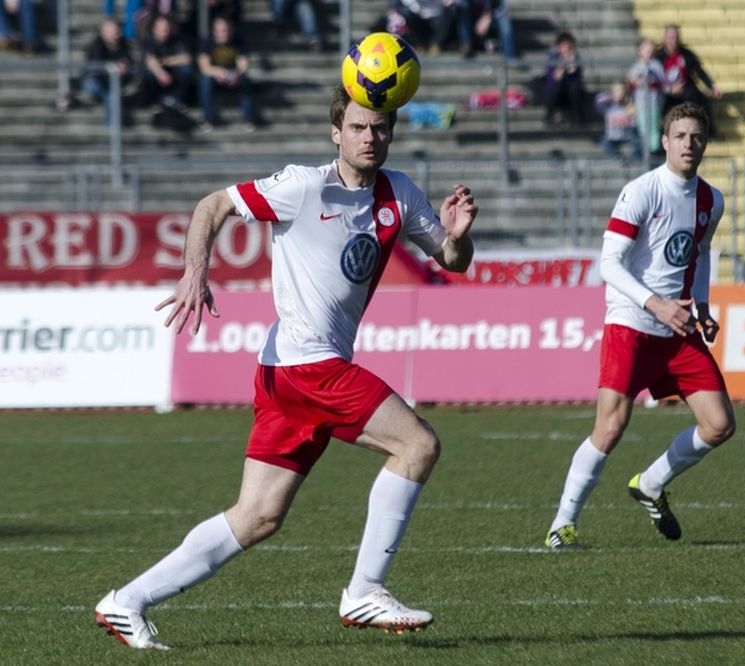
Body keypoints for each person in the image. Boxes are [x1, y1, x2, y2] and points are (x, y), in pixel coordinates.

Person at [93, 83, 478, 650]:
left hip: (284, 371)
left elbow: (453, 261)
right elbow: (212, 206)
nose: (369, 137)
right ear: (335, 133)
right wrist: (195, 270)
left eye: (380, 128)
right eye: (357, 127)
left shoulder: (399, 192)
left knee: (257, 516)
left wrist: (459, 237)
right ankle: (365, 590)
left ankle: (126, 602)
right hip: (307, 365)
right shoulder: (302, 186)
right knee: (417, 445)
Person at [544, 101, 736, 550]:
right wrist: (656, 305)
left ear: (705, 144)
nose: (689, 144)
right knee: (610, 428)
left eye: (697, 137)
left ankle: (651, 483)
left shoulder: (712, 200)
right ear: (664, 141)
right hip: (630, 323)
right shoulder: (642, 191)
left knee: (719, 424)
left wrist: (702, 306)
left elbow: (700, 254)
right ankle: (562, 524)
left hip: (677, 329)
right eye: (680, 136)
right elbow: (608, 264)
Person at [197, 16, 260, 131]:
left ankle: (249, 119)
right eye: (220, 31)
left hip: (233, 75)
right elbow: (204, 67)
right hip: (214, 76)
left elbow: (243, 64)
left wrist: (237, 75)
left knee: (245, 81)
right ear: (214, 31)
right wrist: (217, 73)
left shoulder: (238, 41)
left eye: (226, 30)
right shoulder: (207, 41)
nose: (224, 34)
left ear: (231, 30)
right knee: (205, 81)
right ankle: (209, 119)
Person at [656, 24, 721, 134]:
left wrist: (711, 86)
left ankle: (706, 132)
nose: (673, 41)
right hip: (665, 93)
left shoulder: (686, 54)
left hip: (686, 91)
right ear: (665, 39)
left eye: (676, 38)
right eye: (671, 38)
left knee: (701, 99)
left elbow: (699, 72)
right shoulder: (658, 57)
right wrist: (670, 89)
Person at [81, 18, 134, 125]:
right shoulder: (96, 45)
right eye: (113, 31)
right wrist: (115, 65)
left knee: (112, 93)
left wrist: (124, 65)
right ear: (103, 32)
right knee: (110, 94)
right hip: (96, 81)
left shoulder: (123, 44)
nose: (117, 33)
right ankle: (112, 126)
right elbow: (98, 65)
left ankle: (113, 125)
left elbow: (129, 61)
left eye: (117, 30)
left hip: (114, 81)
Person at [142, 13, 194, 110]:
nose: (165, 31)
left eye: (166, 28)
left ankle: (178, 100)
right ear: (154, 29)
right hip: (157, 73)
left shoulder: (177, 39)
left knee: (186, 70)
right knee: (149, 73)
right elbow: (150, 60)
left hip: (174, 71)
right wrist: (160, 73)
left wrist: (166, 61)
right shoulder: (149, 41)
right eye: (161, 29)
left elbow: (187, 58)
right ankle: (154, 101)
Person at [627, 37, 667, 155]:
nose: (648, 53)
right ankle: (645, 150)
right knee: (643, 128)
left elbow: (662, 82)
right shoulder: (636, 66)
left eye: (651, 51)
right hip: (641, 104)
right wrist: (637, 82)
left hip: (654, 103)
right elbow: (631, 83)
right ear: (640, 51)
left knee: (654, 127)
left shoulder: (656, 65)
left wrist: (650, 82)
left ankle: (653, 150)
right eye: (646, 51)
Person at [542, 31, 587, 127]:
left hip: (571, 92)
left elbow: (576, 77)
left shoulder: (576, 59)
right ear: (559, 47)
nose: (567, 49)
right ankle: (549, 116)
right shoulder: (553, 59)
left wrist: (571, 64)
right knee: (556, 88)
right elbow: (555, 78)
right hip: (557, 92)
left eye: (569, 46)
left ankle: (577, 119)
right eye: (564, 46)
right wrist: (563, 65)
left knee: (575, 88)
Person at [595, 82, 642, 163]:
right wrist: (611, 96)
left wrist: (631, 116)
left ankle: (633, 160)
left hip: (628, 136)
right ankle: (619, 158)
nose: (620, 95)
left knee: (640, 143)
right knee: (605, 143)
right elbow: (597, 99)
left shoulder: (630, 106)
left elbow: (634, 124)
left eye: (622, 93)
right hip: (612, 137)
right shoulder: (607, 106)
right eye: (617, 93)